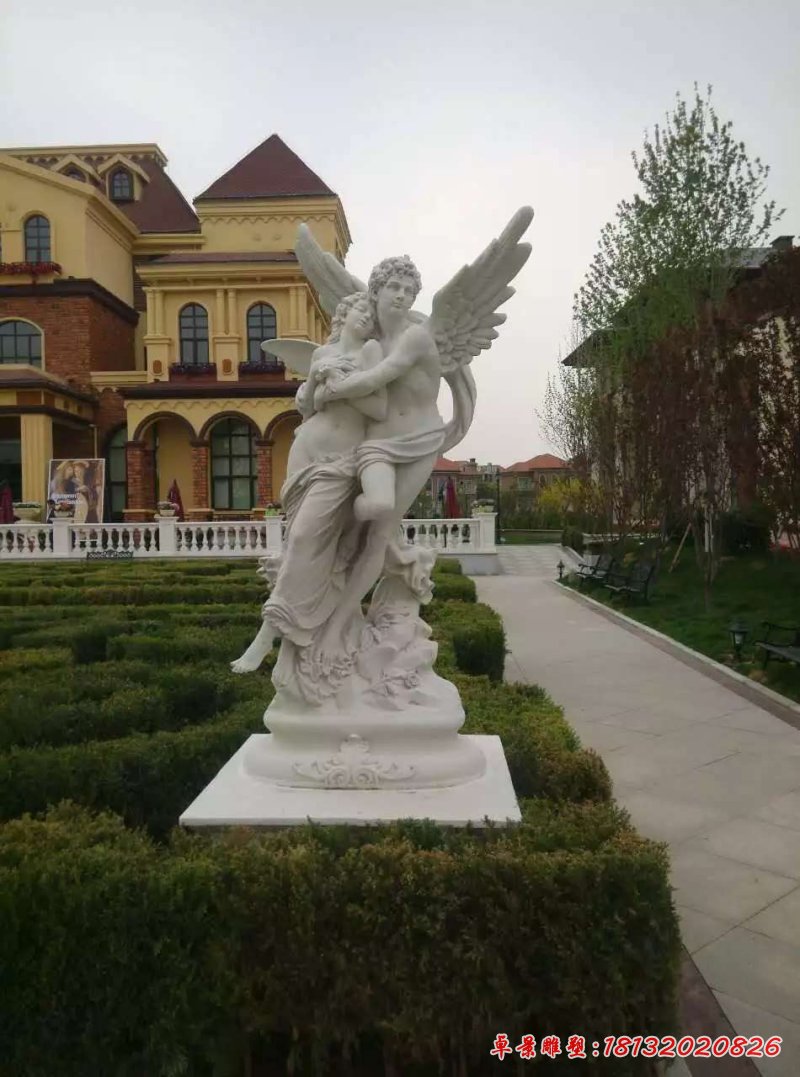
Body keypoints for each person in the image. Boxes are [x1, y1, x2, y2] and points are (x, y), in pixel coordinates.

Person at [231, 292, 388, 685]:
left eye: (372, 315)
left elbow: (379, 409)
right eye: (361, 309)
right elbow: (309, 406)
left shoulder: (371, 352)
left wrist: (340, 385)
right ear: (344, 313)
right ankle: (306, 635)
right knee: (301, 544)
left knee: (304, 540)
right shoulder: (322, 354)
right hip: (305, 452)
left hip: (341, 460)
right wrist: (319, 379)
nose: (367, 318)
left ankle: (268, 633)